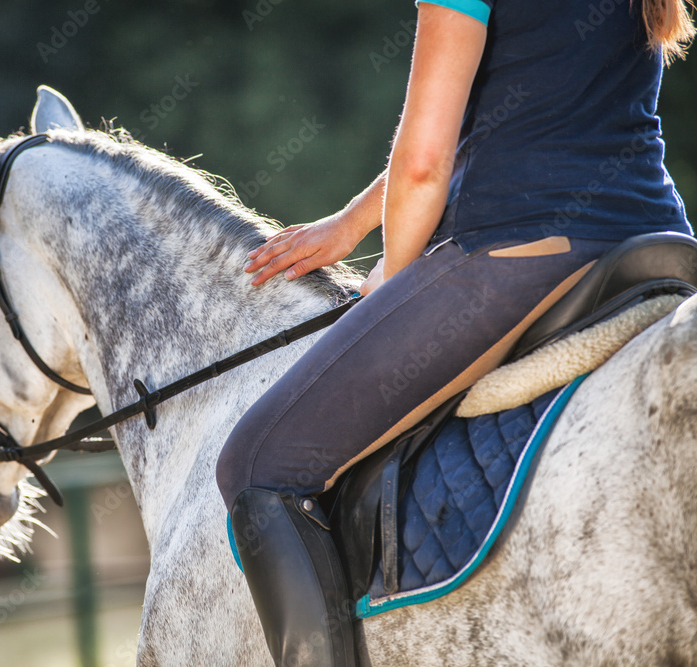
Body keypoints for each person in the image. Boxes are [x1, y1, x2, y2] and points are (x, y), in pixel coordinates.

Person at [216, 0, 695, 665]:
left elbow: (423, 163)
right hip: (654, 236)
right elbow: (512, 107)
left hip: (521, 245)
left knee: (257, 465)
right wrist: (356, 222)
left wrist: (389, 287)